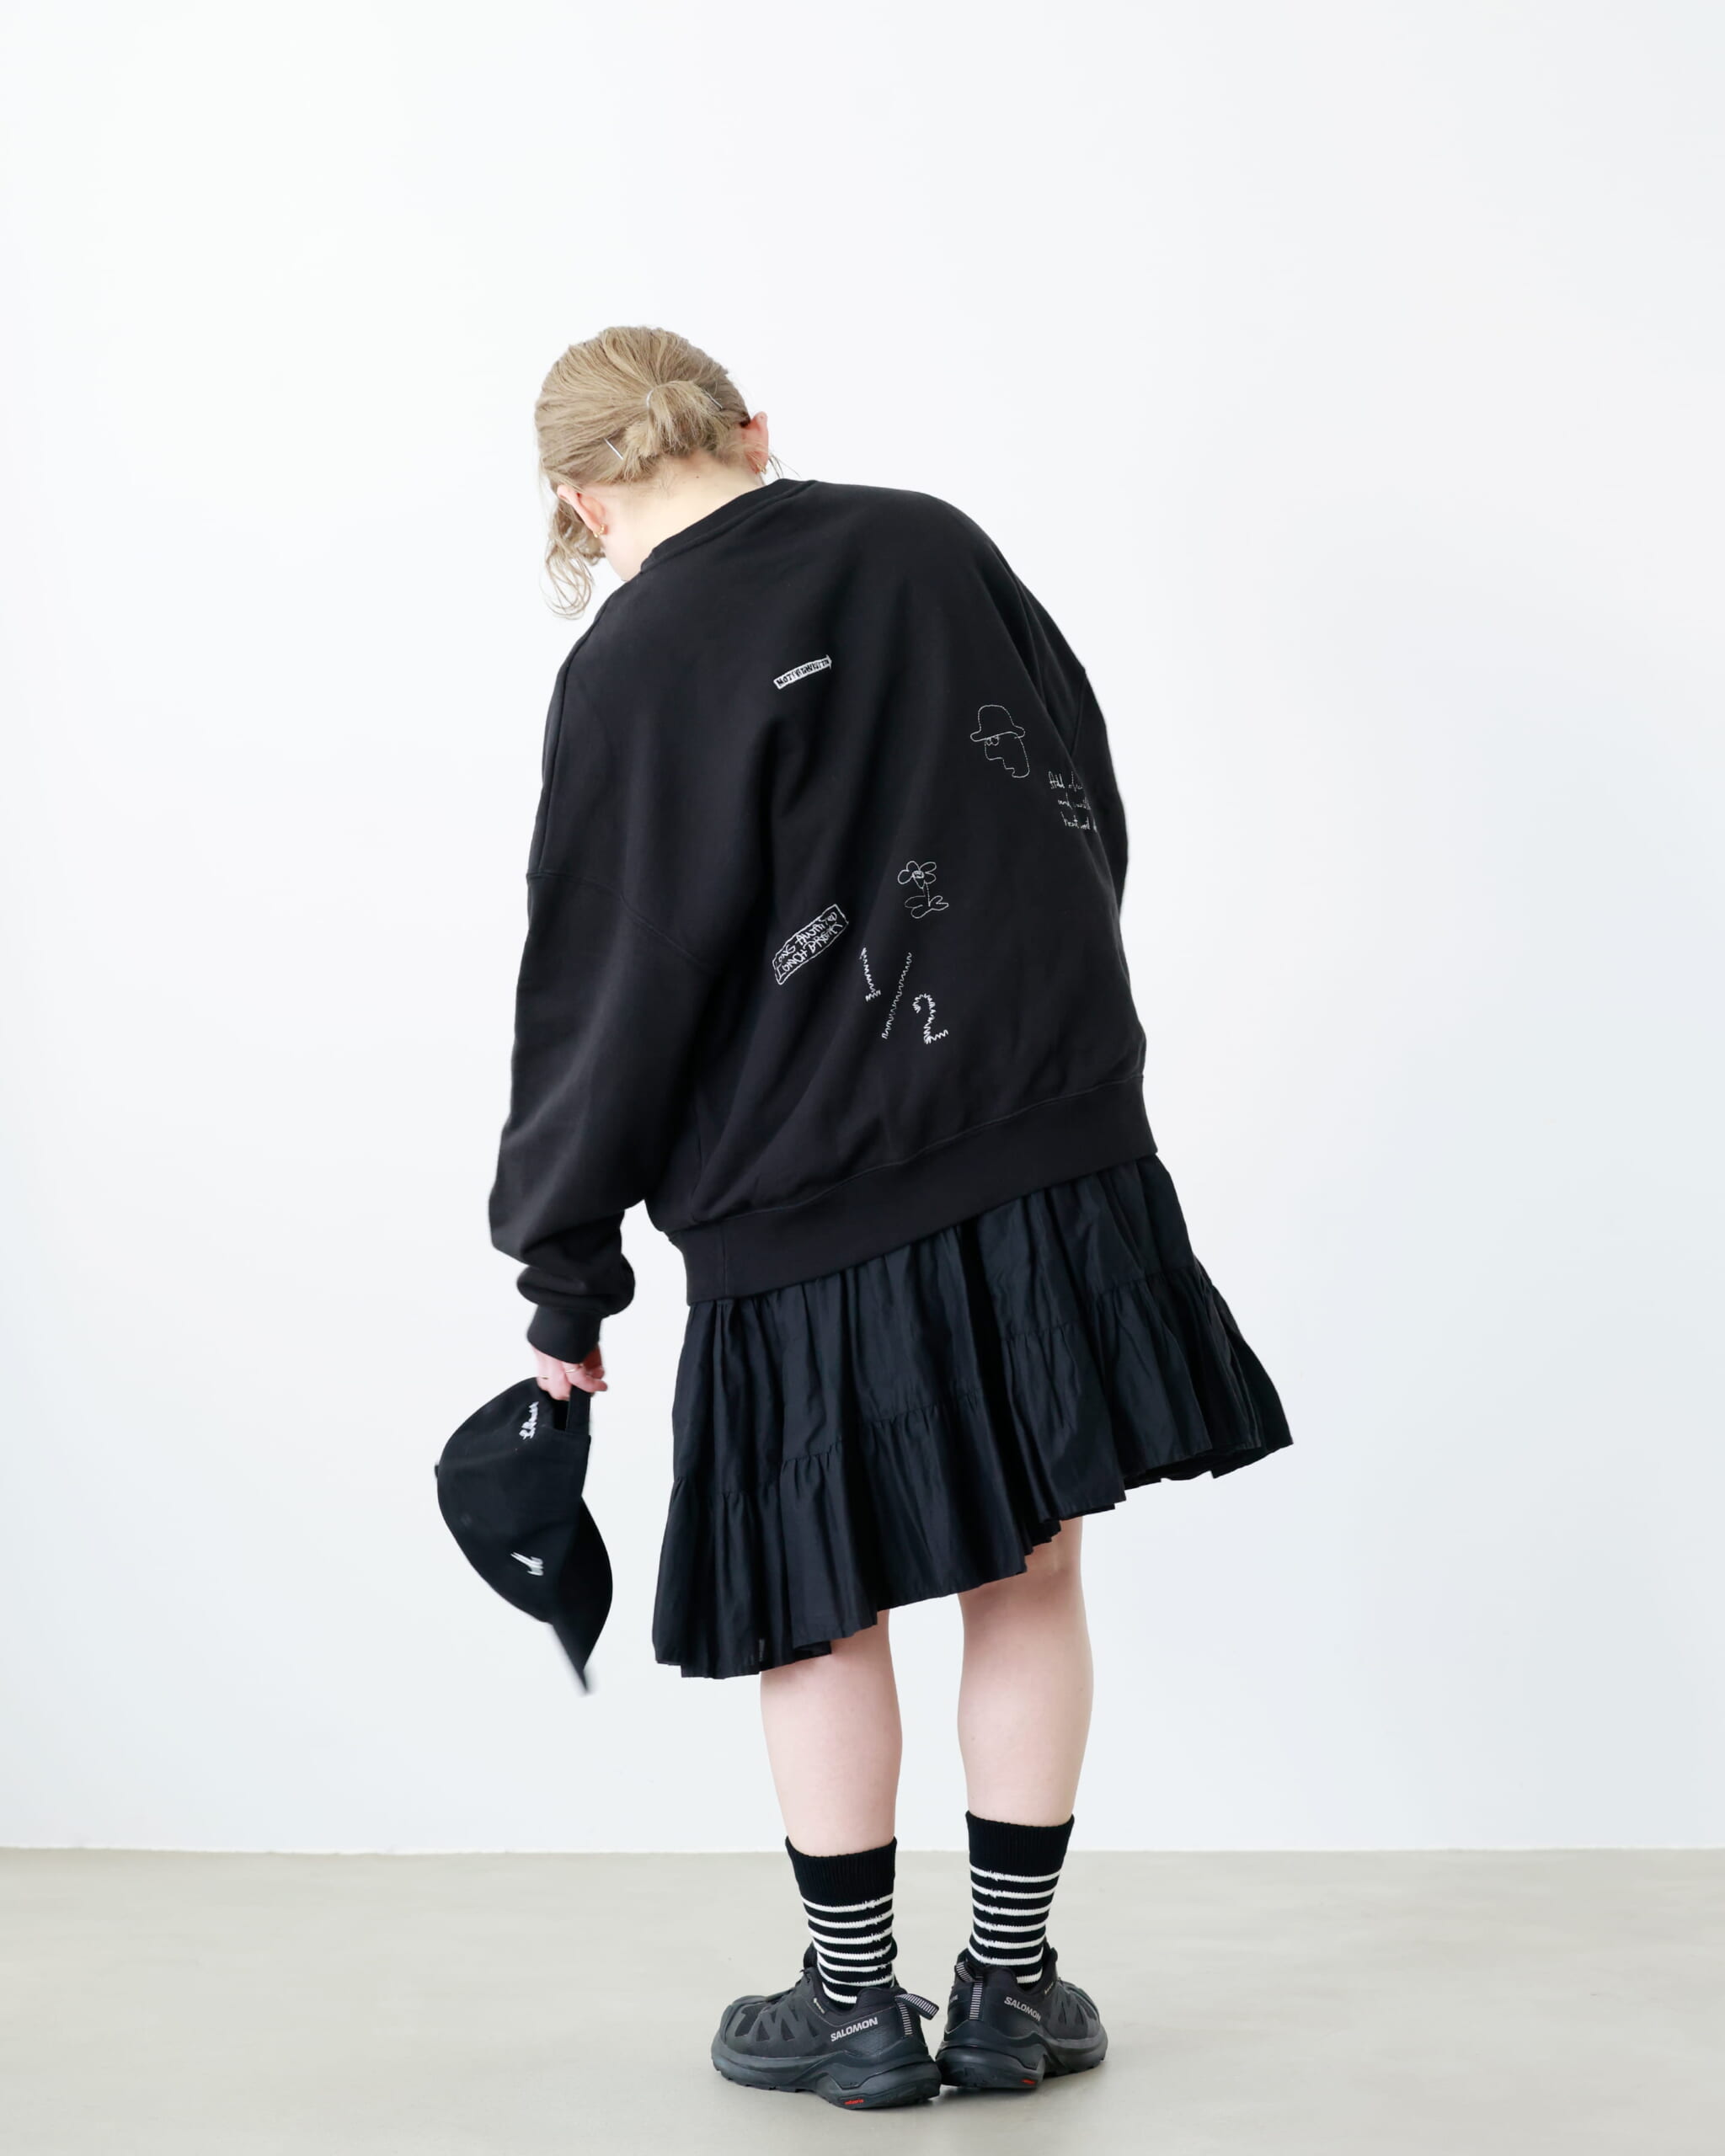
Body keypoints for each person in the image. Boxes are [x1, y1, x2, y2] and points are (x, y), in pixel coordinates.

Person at [489, 325, 1292, 2111]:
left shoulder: (626, 664)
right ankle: (1008, 1991)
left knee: (820, 1606)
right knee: (1031, 1567)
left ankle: (856, 2014)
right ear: (752, 429)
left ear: (580, 499)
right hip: (1044, 1146)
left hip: (795, 1202)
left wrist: (566, 1271)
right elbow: (1080, 795)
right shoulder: (928, 543)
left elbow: (608, 986)